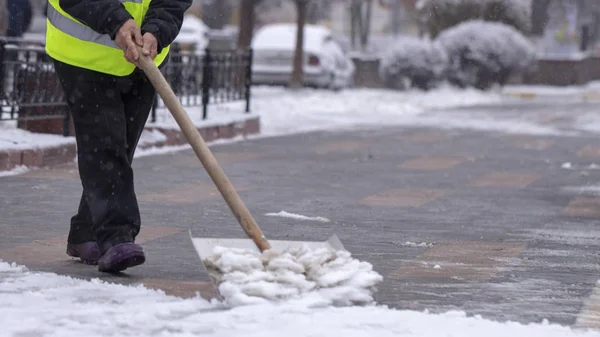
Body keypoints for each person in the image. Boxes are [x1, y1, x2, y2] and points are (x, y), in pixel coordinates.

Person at [45, 0, 192, 273]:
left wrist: (157, 30)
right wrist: (116, 20)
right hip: (83, 54)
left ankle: (85, 232)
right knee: (104, 144)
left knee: (121, 148)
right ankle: (116, 238)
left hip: (143, 58)